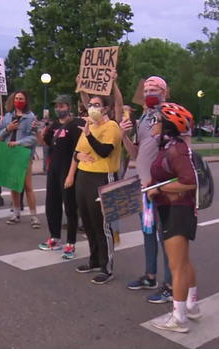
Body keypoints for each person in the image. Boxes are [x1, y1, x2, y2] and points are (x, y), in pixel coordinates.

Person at [146, 103, 200, 333]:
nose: (153, 124)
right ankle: (192, 306)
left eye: (156, 120)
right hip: (175, 208)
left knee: (176, 266)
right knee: (184, 262)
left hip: (176, 210)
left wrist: (158, 190)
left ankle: (179, 319)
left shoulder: (175, 149)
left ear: (167, 124)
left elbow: (189, 181)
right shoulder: (169, 146)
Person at [120, 76, 174, 303]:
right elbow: (136, 155)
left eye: (154, 89)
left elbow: (181, 150)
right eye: (147, 89)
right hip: (143, 186)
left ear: (164, 91)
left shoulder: (171, 114)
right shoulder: (143, 118)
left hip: (161, 187)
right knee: (148, 232)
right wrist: (123, 134)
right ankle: (150, 276)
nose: (149, 92)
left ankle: (170, 285)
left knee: (166, 237)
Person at [72, 95, 122, 284]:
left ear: (106, 109)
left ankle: (106, 267)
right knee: (88, 222)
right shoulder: (88, 126)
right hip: (84, 177)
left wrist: (89, 135)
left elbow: (104, 151)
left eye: (97, 105)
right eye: (90, 104)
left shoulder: (111, 127)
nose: (92, 108)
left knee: (102, 224)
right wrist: (79, 157)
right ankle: (93, 259)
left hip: (102, 177)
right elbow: (76, 153)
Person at [38, 95, 83, 259]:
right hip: (54, 169)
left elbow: (78, 151)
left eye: (62, 106)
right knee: (51, 204)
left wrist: (72, 174)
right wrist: (43, 134)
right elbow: (48, 144)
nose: (58, 109)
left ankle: (71, 244)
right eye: (56, 106)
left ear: (69, 107)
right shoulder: (55, 125)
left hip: (68, 169)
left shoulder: (76, 124)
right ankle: (55, 237)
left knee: (70, 207)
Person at [0, 91, 40, 228]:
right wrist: (7, 128)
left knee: (28, 186)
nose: (18, 100)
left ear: (26, 101)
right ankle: (16, 213)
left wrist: (18, 143)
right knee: (14, 186)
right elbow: (0, 135)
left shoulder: (30, 117)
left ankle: (34, 216)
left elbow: (34, 138)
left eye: (21, 98)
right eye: (17, 98)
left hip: (23, 154)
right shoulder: (7, 117)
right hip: (10, 155)